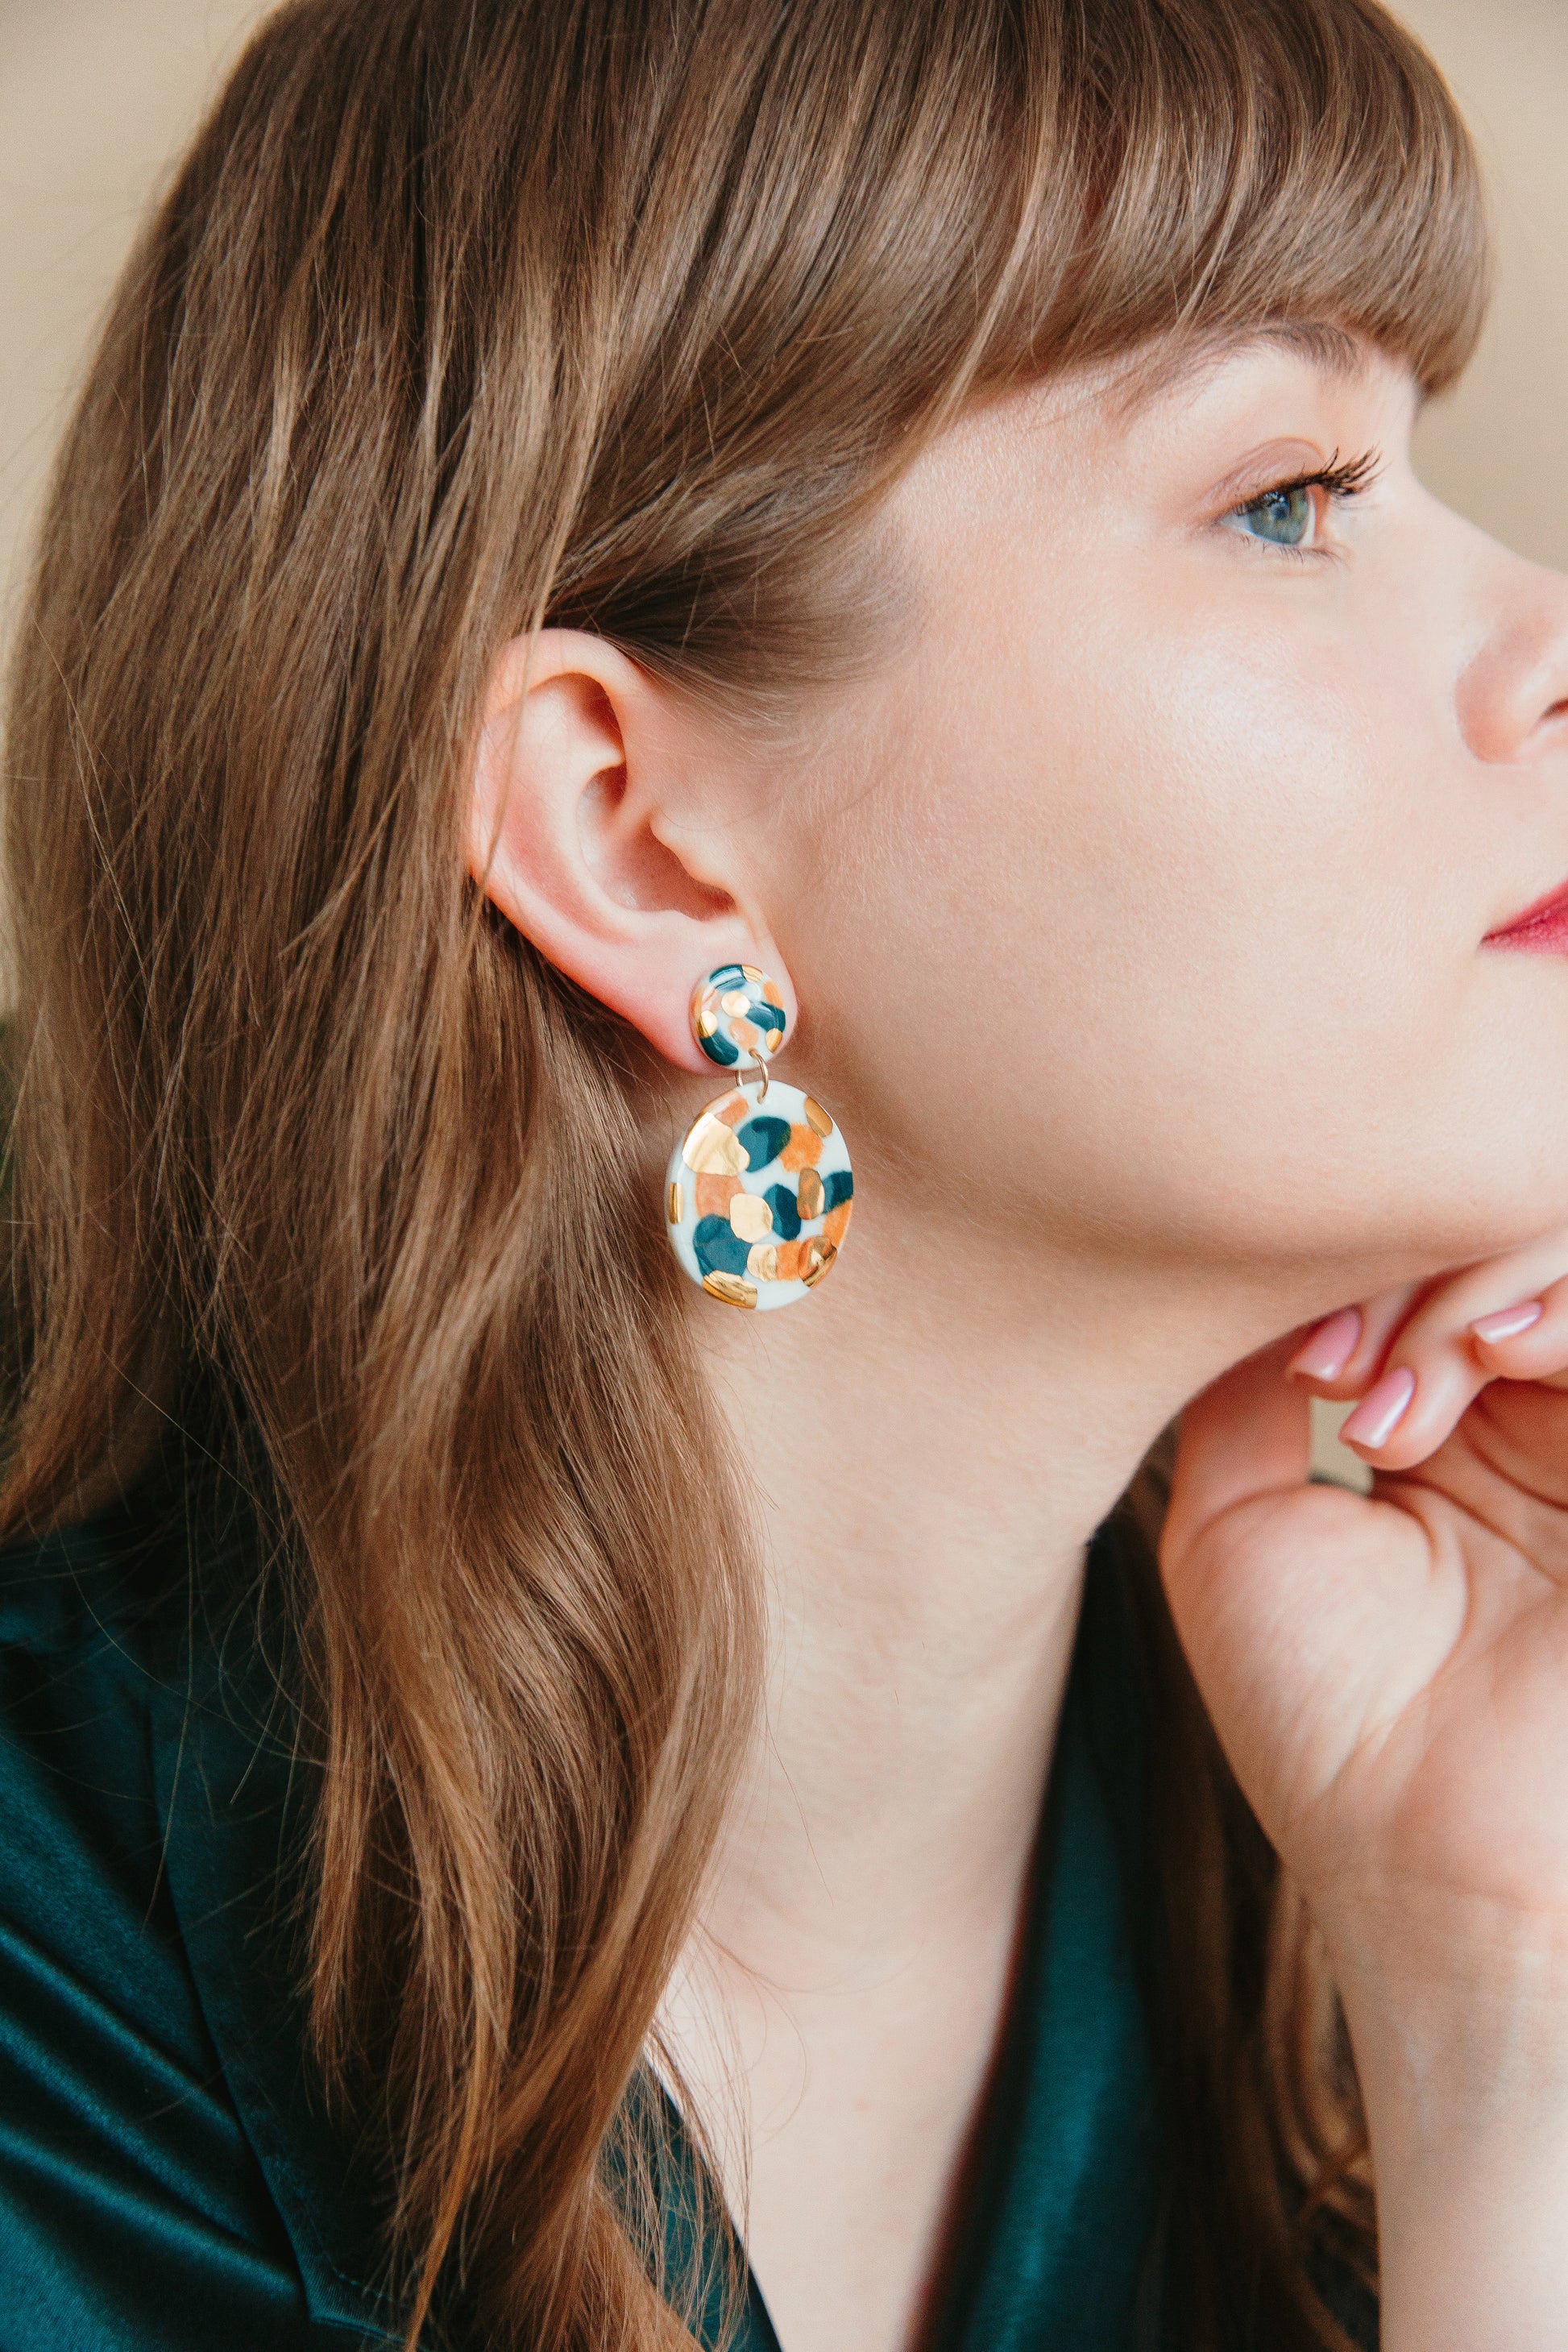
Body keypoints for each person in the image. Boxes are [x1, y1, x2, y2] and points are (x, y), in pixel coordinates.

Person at [4, 0, 1568, 2346]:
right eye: (1285, 498)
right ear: (632, 840)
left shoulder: (1338, 1774)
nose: (1543, 639)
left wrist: (1497, 2007)